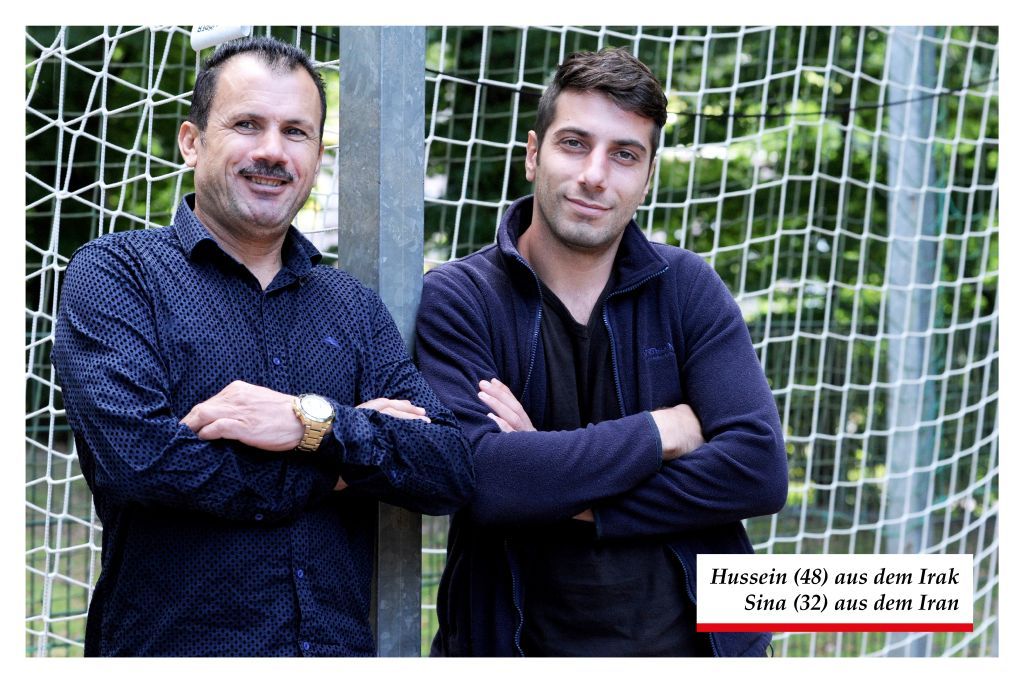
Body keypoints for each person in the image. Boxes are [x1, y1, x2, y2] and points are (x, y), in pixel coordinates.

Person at [52, 35, 474, 657]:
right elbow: (143, 465)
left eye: (295, 132)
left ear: (317, 154)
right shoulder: (118, 274)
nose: (272, 151)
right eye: (247, 124)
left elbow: (448, 464)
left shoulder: (352, 307)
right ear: (192, 141)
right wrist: (341, 466)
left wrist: (310, 423)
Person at [415, 47, 788, 657]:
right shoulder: (460, 297)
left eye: (624, 155)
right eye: (574, 144)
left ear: (648, 176)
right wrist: (660, 433)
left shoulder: (687, 287)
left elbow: (758, 471)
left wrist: (558, 486)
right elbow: (483, 481)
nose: (595, 174)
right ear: (533, 154)